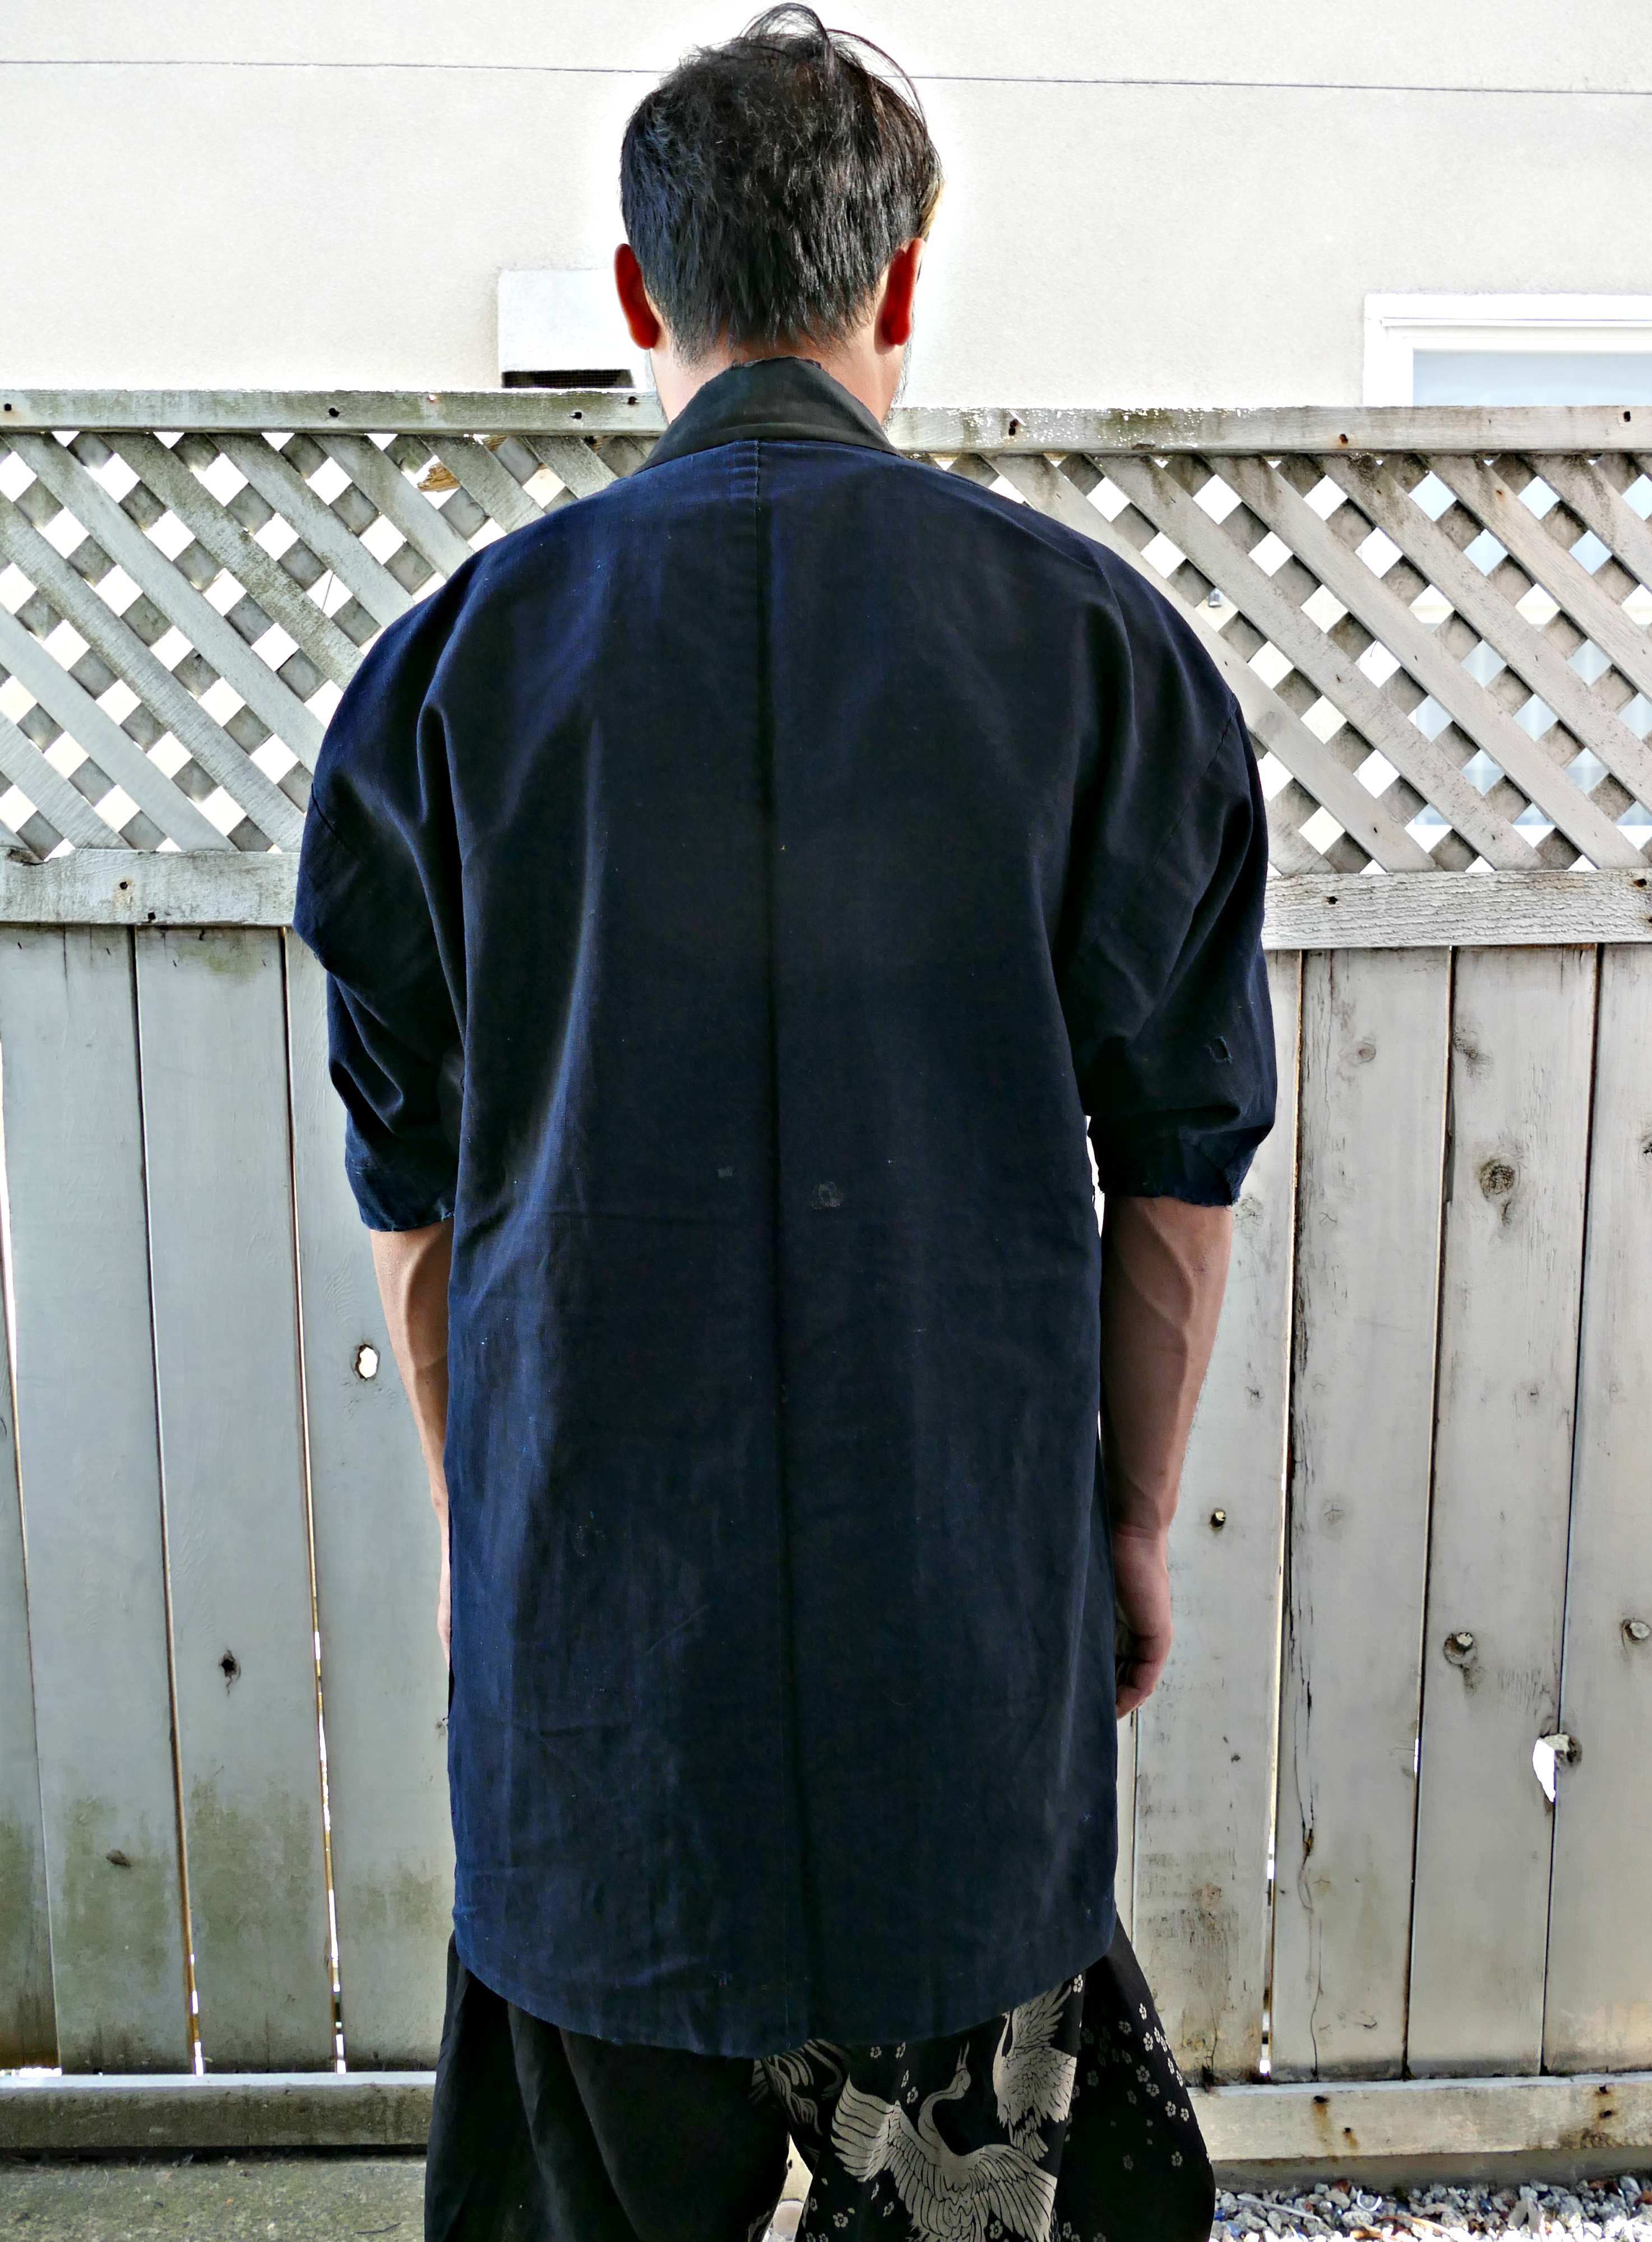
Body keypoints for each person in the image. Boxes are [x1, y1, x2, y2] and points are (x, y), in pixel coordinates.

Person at [291, 10, 1276, 2238]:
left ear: (640, 296)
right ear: (901, 283)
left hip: (600, 1713)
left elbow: (418, 1202)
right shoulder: (1100, 655)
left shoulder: (449, 677)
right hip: (963, 1684)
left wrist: (480, 1529)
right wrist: (1126, 1527)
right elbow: (1178, 1174)